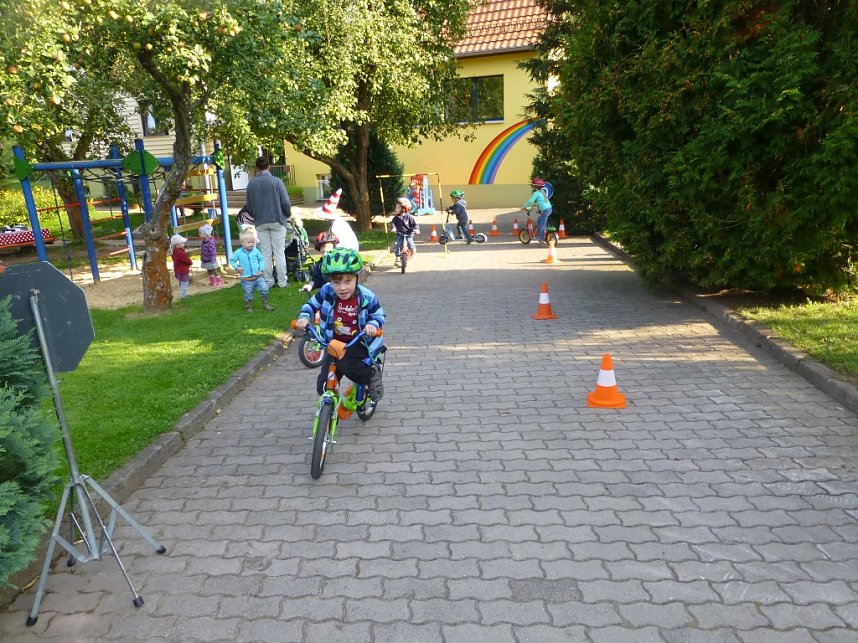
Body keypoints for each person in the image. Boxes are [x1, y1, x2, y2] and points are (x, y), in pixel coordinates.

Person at [295, 248, 385, 401]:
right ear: (330, 281)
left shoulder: (366, 296)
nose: (342, 288)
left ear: (357, 278)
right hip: (333, 342)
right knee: (323, 385)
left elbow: (378, 314)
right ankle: (330, 408)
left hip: (357, 342)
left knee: (351, 368)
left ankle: (372, 374)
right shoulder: (326, 291)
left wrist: (372, 325)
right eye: (336, 282)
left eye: (347, 281)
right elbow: (311, 305)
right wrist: (304, 317)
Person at [245, 156, 291, 288]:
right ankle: (282, 282)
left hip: (261, 222)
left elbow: (248, 205)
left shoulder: (251, 184)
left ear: (256, 168)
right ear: (269, 166)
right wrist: (286, 214)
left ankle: (268, 281)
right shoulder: (277, 182)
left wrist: (256, 215)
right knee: (279, 252)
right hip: (277, 220)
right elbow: (286, 202)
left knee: (265, 253)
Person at [229, 226, 273, 312]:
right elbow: (232, 260)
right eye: (249, 242)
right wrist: (237, 267)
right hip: (246, 279)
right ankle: (248, 305)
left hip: (258, 277)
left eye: (253, 242)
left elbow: (261, 260)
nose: (251, 244)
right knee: (248, 293)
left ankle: (265, 304)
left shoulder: (255, 251)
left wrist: (261, 269)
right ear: (242, 243)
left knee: (264, 289)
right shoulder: (238, 252)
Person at [523, 177, 553, 244]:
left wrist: (524, 206)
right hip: (550, 209)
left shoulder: (536, 193)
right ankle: (541, 235)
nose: (533, 187)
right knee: (540, 221)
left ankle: (541, 238)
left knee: (542, 224)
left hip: (545, 210)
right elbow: (542, 201)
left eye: (533, 186)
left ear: (535, 186)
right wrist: (536, 205)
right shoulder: (543, 192)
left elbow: (530, 201)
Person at [391, 197, 419, 266]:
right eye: (396, 208)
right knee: (398, 244)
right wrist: (394, 228)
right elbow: (393, 223)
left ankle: (413, 251)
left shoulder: (409, 217)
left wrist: (416, 229)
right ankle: (397, 258)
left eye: (398, 208)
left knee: (410, 242)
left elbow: (414, 224)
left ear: (404, 208)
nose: (396, 209)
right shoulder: (396, 218)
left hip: (409, 233)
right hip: (400, 233)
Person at [170, 233, 193, 299]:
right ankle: (184, 296)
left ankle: (184, 294)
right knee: (185, 283)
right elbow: (187, 261)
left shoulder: (175, 251)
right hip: (183, 271)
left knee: (183, 283)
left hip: (179, 270)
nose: (183, 244)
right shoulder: (180, 253)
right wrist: (190, 262)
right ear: (178, 245)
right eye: (182, 243)